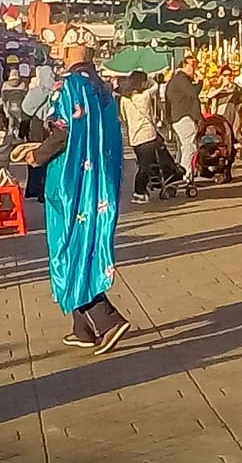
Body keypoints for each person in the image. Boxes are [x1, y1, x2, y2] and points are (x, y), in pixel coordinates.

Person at [24, 30, 130, 355]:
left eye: (63, 46)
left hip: (70, 182)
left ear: (74, 49)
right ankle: (82, 328)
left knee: (67, 245)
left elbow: (60, 132)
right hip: (97, 182)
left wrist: (36, 154)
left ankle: (106, 318)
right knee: (83, 242)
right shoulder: (103, 88)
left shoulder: (68, 85)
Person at [119, 70, 182, 203]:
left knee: (143, 162)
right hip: (148, 135)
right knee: (145, 166)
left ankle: (147, 186)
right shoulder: (144, 97)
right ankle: (139, 191)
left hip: (134, 137)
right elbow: (155, 87)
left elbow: (124, 118)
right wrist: (151, 78)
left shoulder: (124, 100)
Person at [21, 64, 56, 202]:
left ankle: (33, 189)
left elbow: (26, 107)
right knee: (46, 159)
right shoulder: (56, 90)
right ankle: (42, 190)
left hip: (36, 126)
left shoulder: (38, 90)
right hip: (51, 127)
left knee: (34, 156)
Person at [166, 56, 204, 182]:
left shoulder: (178, 79)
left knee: (183, 146)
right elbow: (193, 92)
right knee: (189, 146)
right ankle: (185, 173)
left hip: (178, 117)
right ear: (184, 65)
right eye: (192, 65)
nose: (195, 69)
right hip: (183, 117)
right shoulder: (181, 79)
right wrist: (200, 81)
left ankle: (180, 172)